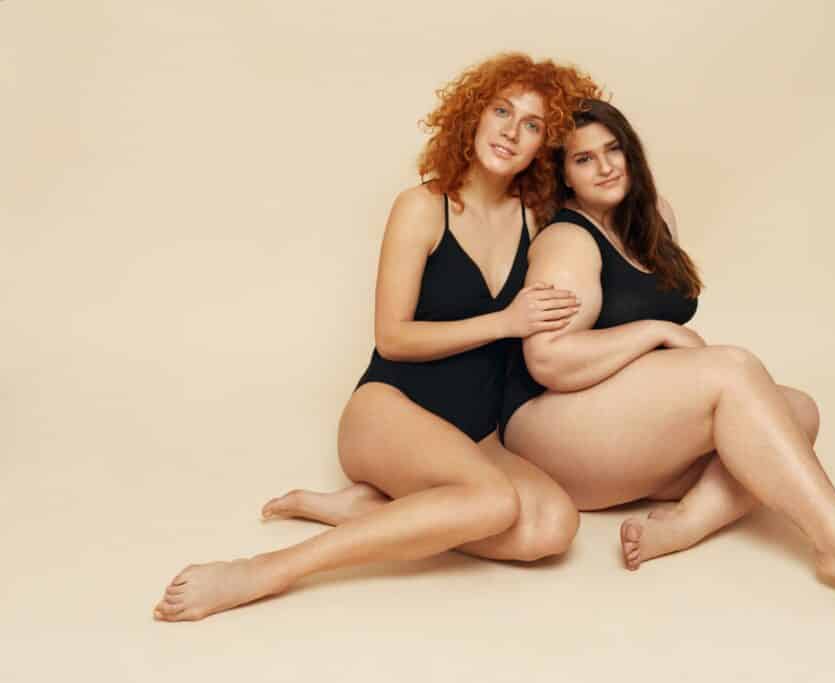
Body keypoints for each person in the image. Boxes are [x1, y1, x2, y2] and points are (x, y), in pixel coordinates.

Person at [152, 54, 599, 622]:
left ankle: (378, 513)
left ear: (545, 145)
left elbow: (613, 218)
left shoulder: (535, 218)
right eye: (502, 111)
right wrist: (505, 322)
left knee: (554, 528)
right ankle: (267, 570)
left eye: (532, 124)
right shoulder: (420, 208)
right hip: (389, 410)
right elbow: (392, 338)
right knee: (493, 502)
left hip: (473, 434)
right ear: (473, 116)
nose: (512, 132)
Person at [497, 99, 835, 616]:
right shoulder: (568, 240)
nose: (606, 166)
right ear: (565, 176)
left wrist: (661, 347)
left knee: (797, 411)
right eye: (584, 159)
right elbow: (547, 359)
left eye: (613, 149)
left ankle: (685, 524)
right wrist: (654, 331)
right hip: (549, 432)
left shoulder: (652, 217)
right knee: (734, 370)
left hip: (619, 427)